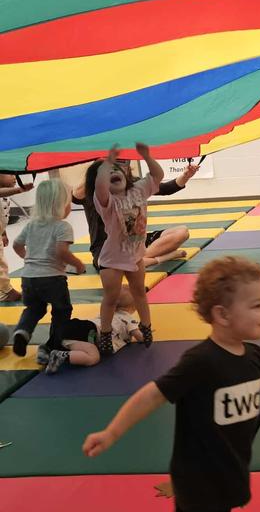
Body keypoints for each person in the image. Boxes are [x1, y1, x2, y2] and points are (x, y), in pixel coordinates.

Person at [83, 256, 260, 512]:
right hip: (199, 482)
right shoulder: (201, 361)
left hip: (230, 472)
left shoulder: (254, 356)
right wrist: (111, 432)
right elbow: (153, 394)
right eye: (257, 306)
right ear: (222, 315)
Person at [92, 143, 163, 355]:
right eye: (108, 173)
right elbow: (100, 187)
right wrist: (108, 163)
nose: (114, 172)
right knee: (111, 298)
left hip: (135, 256)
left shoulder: (139, 190)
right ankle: (105, 333)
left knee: (139, 292)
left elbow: (157, 174)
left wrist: (147, 156)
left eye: (118, 169)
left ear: (127, 172)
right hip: (112, 259)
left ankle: (146, 326)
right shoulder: (106, 201)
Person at [11, 179, 86, 365]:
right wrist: (78, 264)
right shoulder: (62, 226)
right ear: (62, 205)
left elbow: (16, 244)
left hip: (28, 277)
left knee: (34, 308)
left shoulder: (31, 224)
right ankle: (53, 346)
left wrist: (28, 258)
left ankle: (23, 331)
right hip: (52, 278)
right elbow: (61, 252)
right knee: (62, 311)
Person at [73, 161, 198, 269]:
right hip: (108, 248)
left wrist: (186, 176)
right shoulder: (94, 191)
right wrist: (97, 165)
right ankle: (162, 257)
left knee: (182, 232)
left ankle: (141, 258)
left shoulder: (134, 184)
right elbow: (75, 196)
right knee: (110, 264)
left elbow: (166, 188)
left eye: (124, 166)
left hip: (136, 241)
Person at [0, 174, 33, 302]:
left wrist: (3, 233)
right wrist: (19, 189)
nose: (14, 177)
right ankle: (6, 291)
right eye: (9, 174)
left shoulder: (5, 196)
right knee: (1, 263)